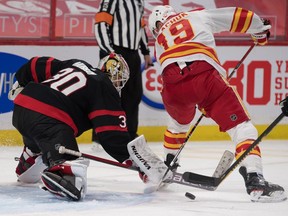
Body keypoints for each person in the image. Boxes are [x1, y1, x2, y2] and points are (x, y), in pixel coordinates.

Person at [148, 5, 286, 202]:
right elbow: (237, 16)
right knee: (242, 128)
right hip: (205, 76)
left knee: (177, 125)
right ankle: (255, 180)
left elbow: (181, 68)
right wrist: (259, 29)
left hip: (172, 87)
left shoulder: (159, 40)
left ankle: (169, 164)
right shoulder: (194, 15)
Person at [10, 54, 169, 201]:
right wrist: (141, 162)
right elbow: (112, 136)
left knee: (45, 135)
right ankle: (62, 170)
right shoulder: (105, 87)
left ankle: (31, 156)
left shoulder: (76, 64)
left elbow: (36, 64)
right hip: (49, 119)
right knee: (75, 167)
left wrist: (20, 82)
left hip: (22, 108)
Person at [93, 0, 153, 149]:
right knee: (108, 95)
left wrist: (145, 51)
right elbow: (101, 24)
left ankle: (130, 134)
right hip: (114, 52)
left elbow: (141, 26)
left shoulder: (138, 1)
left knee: (133, 94)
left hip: (133, 54)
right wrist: (109, 52)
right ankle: (99, 136)